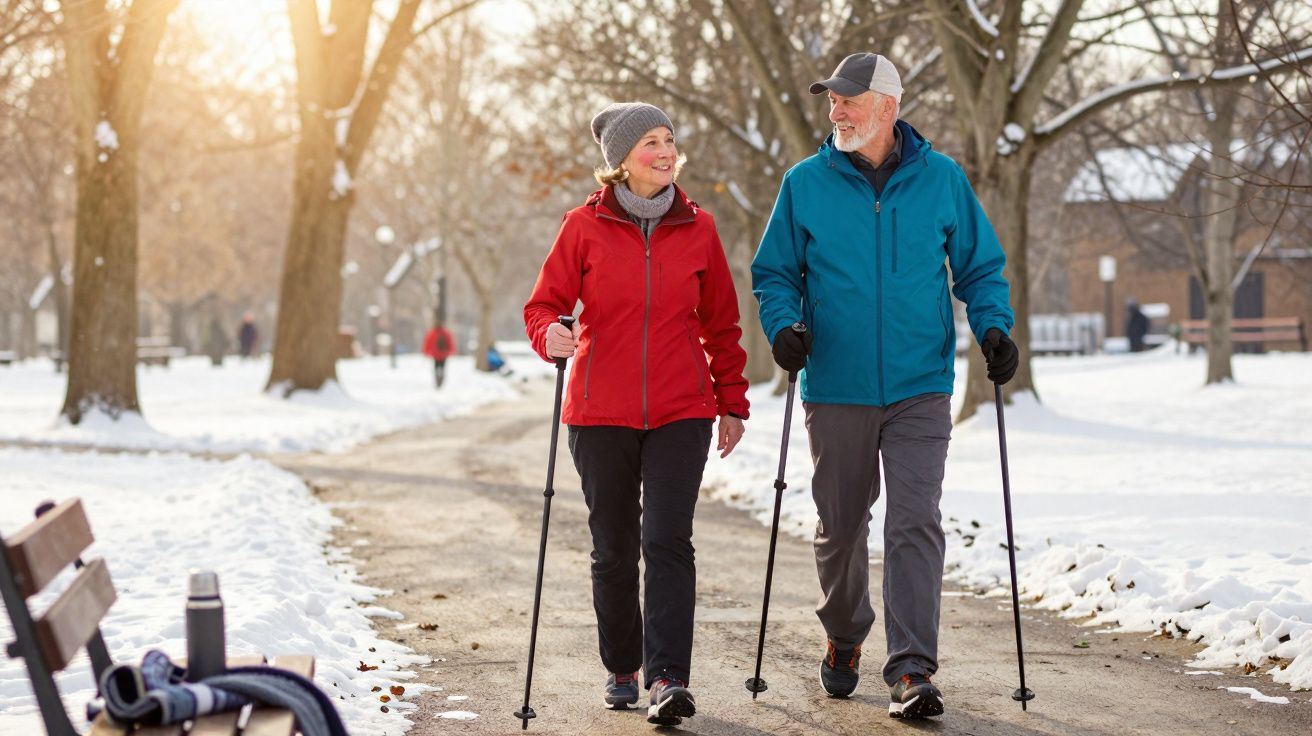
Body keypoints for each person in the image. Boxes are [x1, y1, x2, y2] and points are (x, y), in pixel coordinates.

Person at [751, 52, 1017, 721]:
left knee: (913, 524)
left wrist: (993, 329)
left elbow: (981, 269)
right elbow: (775, 273)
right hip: (835, 383)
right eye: (832, 101)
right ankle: (845, 634)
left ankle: (911, 669)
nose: (835, 110)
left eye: (848, 99)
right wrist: (784, 326)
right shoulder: (804, 183)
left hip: (919, 382)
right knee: (841, 528)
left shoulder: (943, 180)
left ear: (887, 107)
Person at [524, 102, 750, 727]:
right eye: (650, 141)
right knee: (615, 548)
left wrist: (732, 400)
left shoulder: (699, 227)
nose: (665, 150)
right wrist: (551, 337)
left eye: (669, 139)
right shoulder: (582, 226)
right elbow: (543, 305)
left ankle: (669, 677)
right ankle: (623, 665)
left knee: (668, 540)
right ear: (621, 159)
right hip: (599, 414)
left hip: (682, 409)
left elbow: (721, 323)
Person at [421, 321, 456, 387]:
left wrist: (426, 352)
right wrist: (451, 351)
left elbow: (428, 343)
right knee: (442, 367)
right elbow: (450, 342)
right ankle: (441, 379)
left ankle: (437, 380)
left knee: (436, 367)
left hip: (435, 354)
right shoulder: (446, 333)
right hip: (444, 354)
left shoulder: (432, 333)